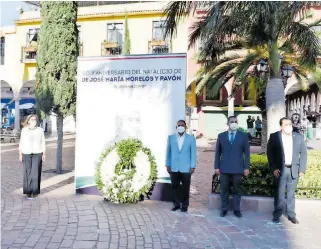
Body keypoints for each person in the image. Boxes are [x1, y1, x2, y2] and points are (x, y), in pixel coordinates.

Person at [267, 117, 307, 224]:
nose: (289, 126)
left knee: (291, 194)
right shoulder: (274, 137)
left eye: (290, 124)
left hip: (293, 170)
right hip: (280, 170)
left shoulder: (298, 137)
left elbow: (303, 153)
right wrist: (274, 168)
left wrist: (302, 169)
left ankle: (291, 215)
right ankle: (277, 214)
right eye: (286, 125)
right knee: (279, 194)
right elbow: (270, 154)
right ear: (281, 126)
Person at [215, 116, 250, 218]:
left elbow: (247, 153)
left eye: (235, 122)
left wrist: (246, 167)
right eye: (232, 122)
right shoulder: (221, 136)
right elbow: (218, 153)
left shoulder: (243, 136)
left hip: (238, 168)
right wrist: (216, 166)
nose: (234, 123)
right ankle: (224, 209)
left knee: (237, 190)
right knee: (224, 190)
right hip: (224, 168)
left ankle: (236, 210)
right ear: (227, 123)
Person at [166, 119, 196, 212]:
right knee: (175, 186)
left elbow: (193, 153)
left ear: (185, 127)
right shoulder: (171, 138)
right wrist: (168, 164)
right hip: (174, 167)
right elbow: (168, 152)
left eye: (182, 125)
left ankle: (185, 206)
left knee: (185, 187)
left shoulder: (191, 138)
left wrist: (192, 166)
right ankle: (176, 204)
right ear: (176, 127)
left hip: (186, 168)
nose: (180, 127)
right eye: (179, 125)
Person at [19, 114, 46, 199]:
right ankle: (27, 191)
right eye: (32, 119)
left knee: (36, 172)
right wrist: (20, 153)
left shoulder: (40, 130)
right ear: (28, 121)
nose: (33, 121)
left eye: (35, 119)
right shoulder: (24, 130)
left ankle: (35, 191)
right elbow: (21, 142)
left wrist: (44, 153)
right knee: (27, 172)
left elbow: (43, 142)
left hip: (37, 153)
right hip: (26, 153)